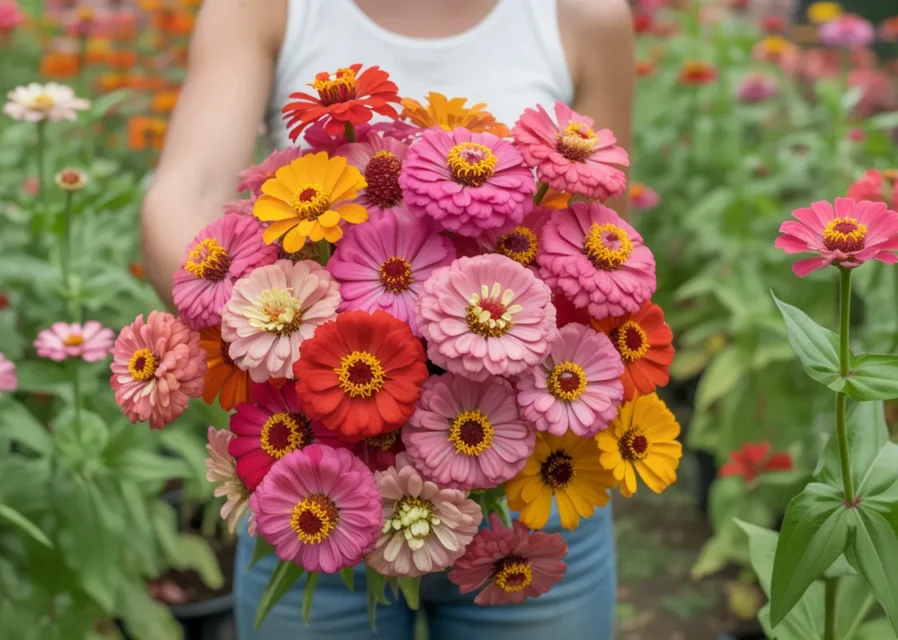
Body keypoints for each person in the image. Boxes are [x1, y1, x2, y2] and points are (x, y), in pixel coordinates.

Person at [140, 1, 635, 638]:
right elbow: (184, 194)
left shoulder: (585, 15)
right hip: (320, 477)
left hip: (530, 486)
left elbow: (602, 234)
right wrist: (265, 323)